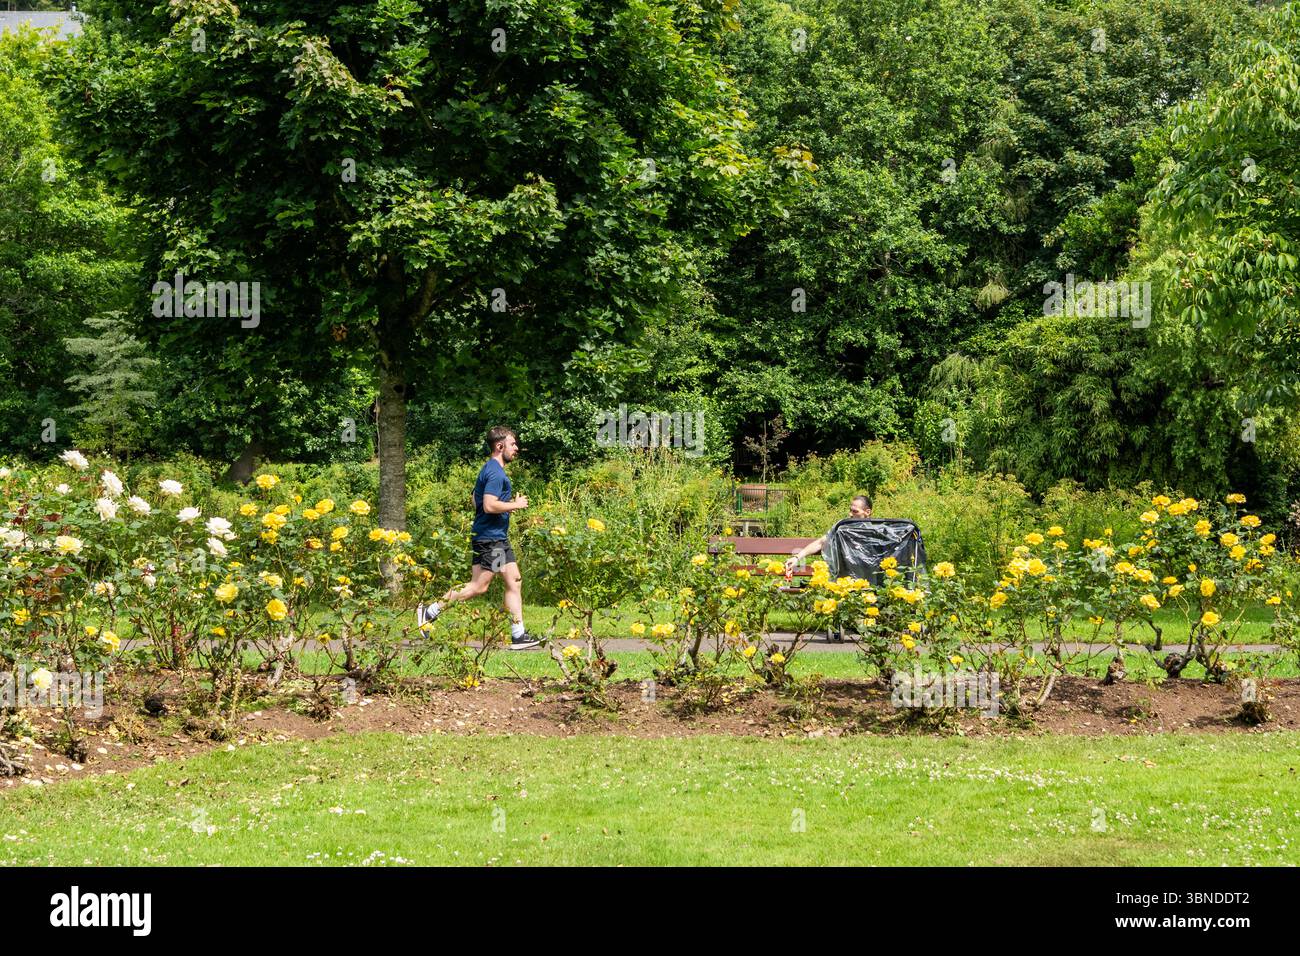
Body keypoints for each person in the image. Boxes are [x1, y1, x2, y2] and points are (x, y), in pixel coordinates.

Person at [416, 426, 542, 650]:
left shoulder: (488, 469)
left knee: (514, 580)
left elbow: (476, 500)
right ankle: (429, 611)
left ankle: (518, 635)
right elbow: (488, 504)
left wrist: (504, 508)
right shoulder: (495, 473)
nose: (517, 449)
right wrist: (515, 504)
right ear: (499, 446)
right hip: (491, 539)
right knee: (478, 586)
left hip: (494, 538)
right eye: (513, 444)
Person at [783, 495, 872, 573]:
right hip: (844, 578)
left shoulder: (877, 530)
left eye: (855, 511)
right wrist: (797, 557)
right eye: (850, 510)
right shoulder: (842, 527)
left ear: (867, 512)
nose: (850, 514)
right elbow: (820, 543)